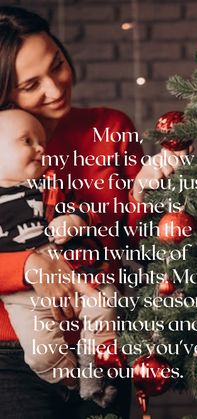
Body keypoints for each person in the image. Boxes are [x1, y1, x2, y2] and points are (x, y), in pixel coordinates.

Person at [0, 6, 187, 419]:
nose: (55, 88)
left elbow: (138, 239)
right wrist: (27, 267)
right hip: (11, 351)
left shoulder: (110, 126)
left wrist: (147, 191)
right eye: (32, 84)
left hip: (102, 338)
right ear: (5, 93)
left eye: (58, 65)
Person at [0, 108, 119, 407]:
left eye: (40, 140)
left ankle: (94, 368)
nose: (40, 147)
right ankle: (67, 378)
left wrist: (75, 221)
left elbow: (82, 209)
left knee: (104, 305)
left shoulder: (51, 183)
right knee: (41, 352)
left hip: (72, 266)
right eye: (26, 141)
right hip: (22, 293)